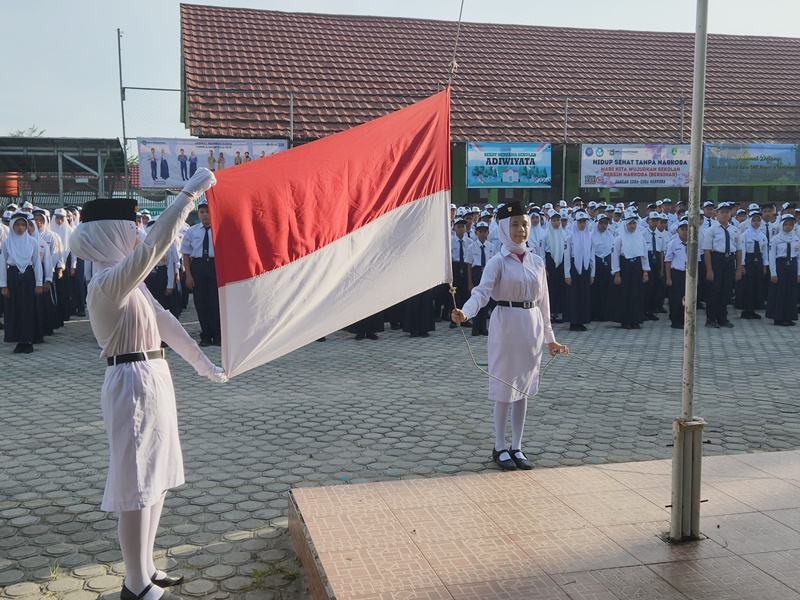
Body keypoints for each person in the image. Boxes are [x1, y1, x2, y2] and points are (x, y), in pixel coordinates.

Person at [68, 168, 226, 600]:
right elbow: (156, 246)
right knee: (136, 487)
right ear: (110, 232)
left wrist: (203, 365)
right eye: (132, 224)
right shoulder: (105, 283)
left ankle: (147, 567)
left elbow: (165, 322)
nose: (138, 230)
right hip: (130, 383)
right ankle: (134, 584)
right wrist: (189, 194)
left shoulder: (127, 281)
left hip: (154, 376)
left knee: (153, 480)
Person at [451, 201, 568, 471]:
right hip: (505, 324)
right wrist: (465, 312)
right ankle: (499, 446)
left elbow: (544, 302)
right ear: (504, 227)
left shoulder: (537, 260)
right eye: (515, 224)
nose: (521, 230)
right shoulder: (497, 261)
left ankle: (517, 445)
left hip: (532, 326)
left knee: (523, 389)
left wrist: (550, 338)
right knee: (505, 388)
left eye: (524, 224)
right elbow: (481, 293)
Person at [0, 212, 43, 353]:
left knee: (28, 309)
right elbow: (2, 264)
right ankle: (19, 340)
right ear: (12, 226)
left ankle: (28, 340)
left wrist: (38, 283)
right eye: (17, 225)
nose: (20, 228)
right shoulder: (7, 243)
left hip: (28, 277)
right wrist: (3, 285)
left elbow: (37, 264)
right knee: (14, 309)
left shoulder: (33, 242)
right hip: (13, 277)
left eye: (23, 225)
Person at [181, 201, 221, 346]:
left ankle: (217, 334)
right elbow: (186, 254)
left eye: (208, 212)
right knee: (201, 302)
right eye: (202, 212)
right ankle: (205, 335)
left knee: (215, 302)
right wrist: (189, 275)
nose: (205, 215)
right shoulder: (192, 231)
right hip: (198, 266)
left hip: (214, 265)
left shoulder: (219, 229)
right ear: (198, 214)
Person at [702, 202, 741, 328]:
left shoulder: (735, 230)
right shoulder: (711, 230)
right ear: (716, 214)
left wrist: (738, 268)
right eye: (722, 212)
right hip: (716, 260)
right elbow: (707, 250)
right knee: (714, 291)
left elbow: (739, 250)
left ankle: (722, 317)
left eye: (727, 212)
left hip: (729, 261)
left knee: (726, 291)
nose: (725, 215)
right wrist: (709, 270)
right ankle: (711, 318)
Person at [611, 210, 650, 329]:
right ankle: (625, 320)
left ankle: (636, 319)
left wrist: (645, 272)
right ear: (625, 224)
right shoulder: (619, 238)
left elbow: (644, 256)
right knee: (625, 294)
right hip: (625, 267)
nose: (632, 226)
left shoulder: (640, 238)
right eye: (630, 223)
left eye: (634, 223)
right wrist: (616, 273)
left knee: (637, 293)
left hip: (637, 267)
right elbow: (615, 257)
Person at [766, 213, 800, 326]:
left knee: (791, 292)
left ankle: (789, 316)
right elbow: (771, 257)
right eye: (786, 224)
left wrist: (799, 273)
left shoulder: (796, 239)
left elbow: (799, 257)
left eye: (791, 224)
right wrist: (773, 273)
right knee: (780, 292)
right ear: (781, 225)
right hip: (780, 265)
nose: (788, 227)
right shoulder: (775, 239)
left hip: (792, 264)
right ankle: (778, 317)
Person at [563, 211, 595, 331]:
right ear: (576, 223)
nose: (582, 224)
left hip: (585, 268)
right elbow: (566, 256)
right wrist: (567, 274)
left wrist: (592, 273)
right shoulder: (570, 236)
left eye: (584, 222)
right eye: (580, 222)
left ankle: (582, 320)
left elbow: (592, 255)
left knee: (584, 296)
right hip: (573, 268)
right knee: (574, 296)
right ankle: (573, 321)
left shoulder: (589, 236)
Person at [735, 211, 768, 319]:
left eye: (758, 221)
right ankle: (746, 310)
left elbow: (765, 252)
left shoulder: (762, 236)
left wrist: (764, 266)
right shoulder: (744, 235)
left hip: (758, 262)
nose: (756, 223)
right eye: (754, 221)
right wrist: (742, 265)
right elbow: (742, 250)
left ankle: (754, 309)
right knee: (747, 286)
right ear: (750, 221)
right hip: (748, 262)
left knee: (757, 286)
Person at [465, 221, 496, 336]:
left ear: (488, 232)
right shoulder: (471, 246)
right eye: (480, 231)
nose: (482, 234)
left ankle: (483, 327)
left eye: (485, 231)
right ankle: (475, 327)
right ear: (476, 232)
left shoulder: (491, 247)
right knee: (476, 299)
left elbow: (493, 264)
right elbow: (469, 265)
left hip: (487, 273)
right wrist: (470, 282)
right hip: (476, 273)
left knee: (486, 302)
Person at [543, 209, 567, 323]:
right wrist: (545, 267)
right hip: (550, 262)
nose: (557, 223)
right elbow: (543, 252)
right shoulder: (545, 234)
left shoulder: (564, 234)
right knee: (550, 289)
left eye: (558, 220)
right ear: (550, 221)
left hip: (561, 262)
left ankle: (558, 312)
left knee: (559, 289)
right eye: (554, 220)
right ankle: (550, 313)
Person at [665, 219, 689, 329]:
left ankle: (686, 320)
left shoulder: (693, 244)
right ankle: (676, 321)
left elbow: (697, 261)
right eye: (682, 229)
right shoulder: (672, 244)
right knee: (675, 299)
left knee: (687, 299)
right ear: (677, 231)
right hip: (676, 273)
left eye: (687, 230)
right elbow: (668, 261)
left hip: (688, 274)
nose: (685, 232)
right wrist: (668, 278)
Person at [643, 211, 667, 320]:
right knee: (647, 287)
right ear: (648, 221)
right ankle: (645, 310)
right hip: (647, 259)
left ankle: (653, 309)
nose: (655, 223)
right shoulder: (643, 234)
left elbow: (661, 252)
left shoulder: (660, 235)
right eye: (653, 220)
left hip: (656, 260)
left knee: (656, 287)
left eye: (657, 221)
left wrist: (662, 269)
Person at [590, 214, 613, 321]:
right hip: (595, 264)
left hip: (607, 265)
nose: (604, 226)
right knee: (595, 290)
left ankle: (604, 313)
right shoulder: (591, 236)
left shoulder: (610, 236)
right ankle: (594, 313)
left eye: (606, 223)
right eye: (601, 223)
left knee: (606, 290)